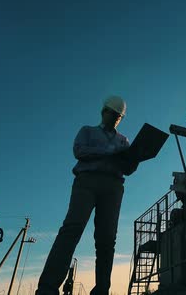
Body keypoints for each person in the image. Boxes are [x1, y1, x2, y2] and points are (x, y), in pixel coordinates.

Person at [36, 95, 138, 295]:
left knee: (107, 239)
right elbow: (80, 151)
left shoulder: (124, 141)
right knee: (72, 229)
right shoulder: (87, 131)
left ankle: (102, 290)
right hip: (87, 182)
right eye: (113, 114)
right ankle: (47, 288)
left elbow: (128, 169)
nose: (116, 118)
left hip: (114, 186)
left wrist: (136, 157)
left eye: (119, 116)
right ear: (104, 112)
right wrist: (110, 151)